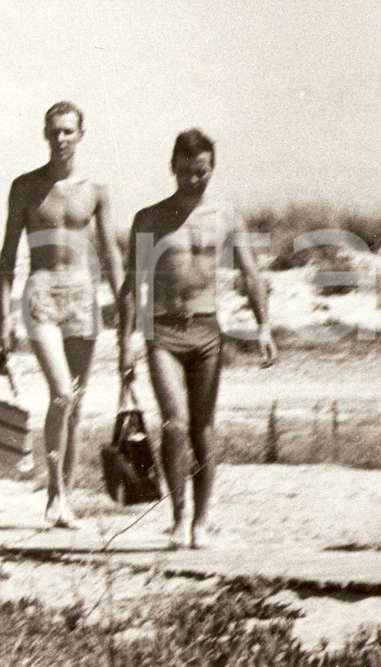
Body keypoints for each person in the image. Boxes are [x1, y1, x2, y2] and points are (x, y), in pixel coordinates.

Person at [118, 128, 277, 549]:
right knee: (174, 425)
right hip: (162, 332)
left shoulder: (226, 217)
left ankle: (202, 521)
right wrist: (126, 341)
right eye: (186, 171)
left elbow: (251, 274)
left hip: (207, 331)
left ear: (212, 169)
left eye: (202, 172)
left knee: (203, 429)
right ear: (172, 167)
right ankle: (178, 517)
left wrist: (263, 326)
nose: (194, 179)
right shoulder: (149, 219)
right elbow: (132, 285)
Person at [0, 101, 123, 528]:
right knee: (61, 394)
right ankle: (54, 493)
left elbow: (111, 252)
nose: (61, 138)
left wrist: (125, 306)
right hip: (42, 293)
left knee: (76, 402)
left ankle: (63, 500)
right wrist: (3, 313)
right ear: (45, 133)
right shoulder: (25, 187)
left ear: (81, 134)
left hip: (83, 296)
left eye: (68, 131)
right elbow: (7, 254)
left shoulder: (96, 188)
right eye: (54, 130)